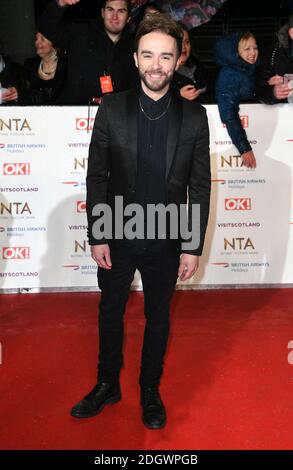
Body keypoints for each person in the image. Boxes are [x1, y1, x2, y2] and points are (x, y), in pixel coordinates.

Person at [70, 13, 211, 429]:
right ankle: (107, 384)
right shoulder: (111, 109)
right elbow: (97, 175)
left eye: (165, 56)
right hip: (118, 230)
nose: (156, 64)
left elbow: (199, 186)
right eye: (148, 55)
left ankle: (150, 389)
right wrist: (98, 233)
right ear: (134, 58)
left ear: (177, 59)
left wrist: (191, 244)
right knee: (110, 312)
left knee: (159, 316)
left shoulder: (195, 117)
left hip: (167, 237)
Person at [38, 0, 137, 104]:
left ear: (128, 18)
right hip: (73, 112)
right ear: (102, 13)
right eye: (110, 10)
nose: (115, 16)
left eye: (121, 11)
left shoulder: (135, 48)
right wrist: (60, 3)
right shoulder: (81, 33)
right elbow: (47, 29)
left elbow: (136, 88)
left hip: (115, 114)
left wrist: (115, 101)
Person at [214, 32, 259, 168]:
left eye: (255, 47)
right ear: (236, 52)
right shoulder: (230, 74)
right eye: (247, 49)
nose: (253, 53)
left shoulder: (248, 70)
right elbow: (229, 113)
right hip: (235, 143)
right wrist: (244, 148)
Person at [256, 14, 293, 104]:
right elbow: (259, 91)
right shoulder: (274, 53)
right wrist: (273, 92)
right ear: (292, 33)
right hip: (284, 116)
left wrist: (289, 81)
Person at [24, 32, 66, 105]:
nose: (36, 42)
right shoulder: (29, 65)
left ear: (54, 43)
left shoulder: (65, 66)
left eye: (42, 39)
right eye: (36, 39)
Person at [172, 23, 207, 102]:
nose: (184, 47)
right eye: (179, 42)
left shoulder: (198, 67)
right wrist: (179, 96)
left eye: (187, 42)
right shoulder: (163, 73)